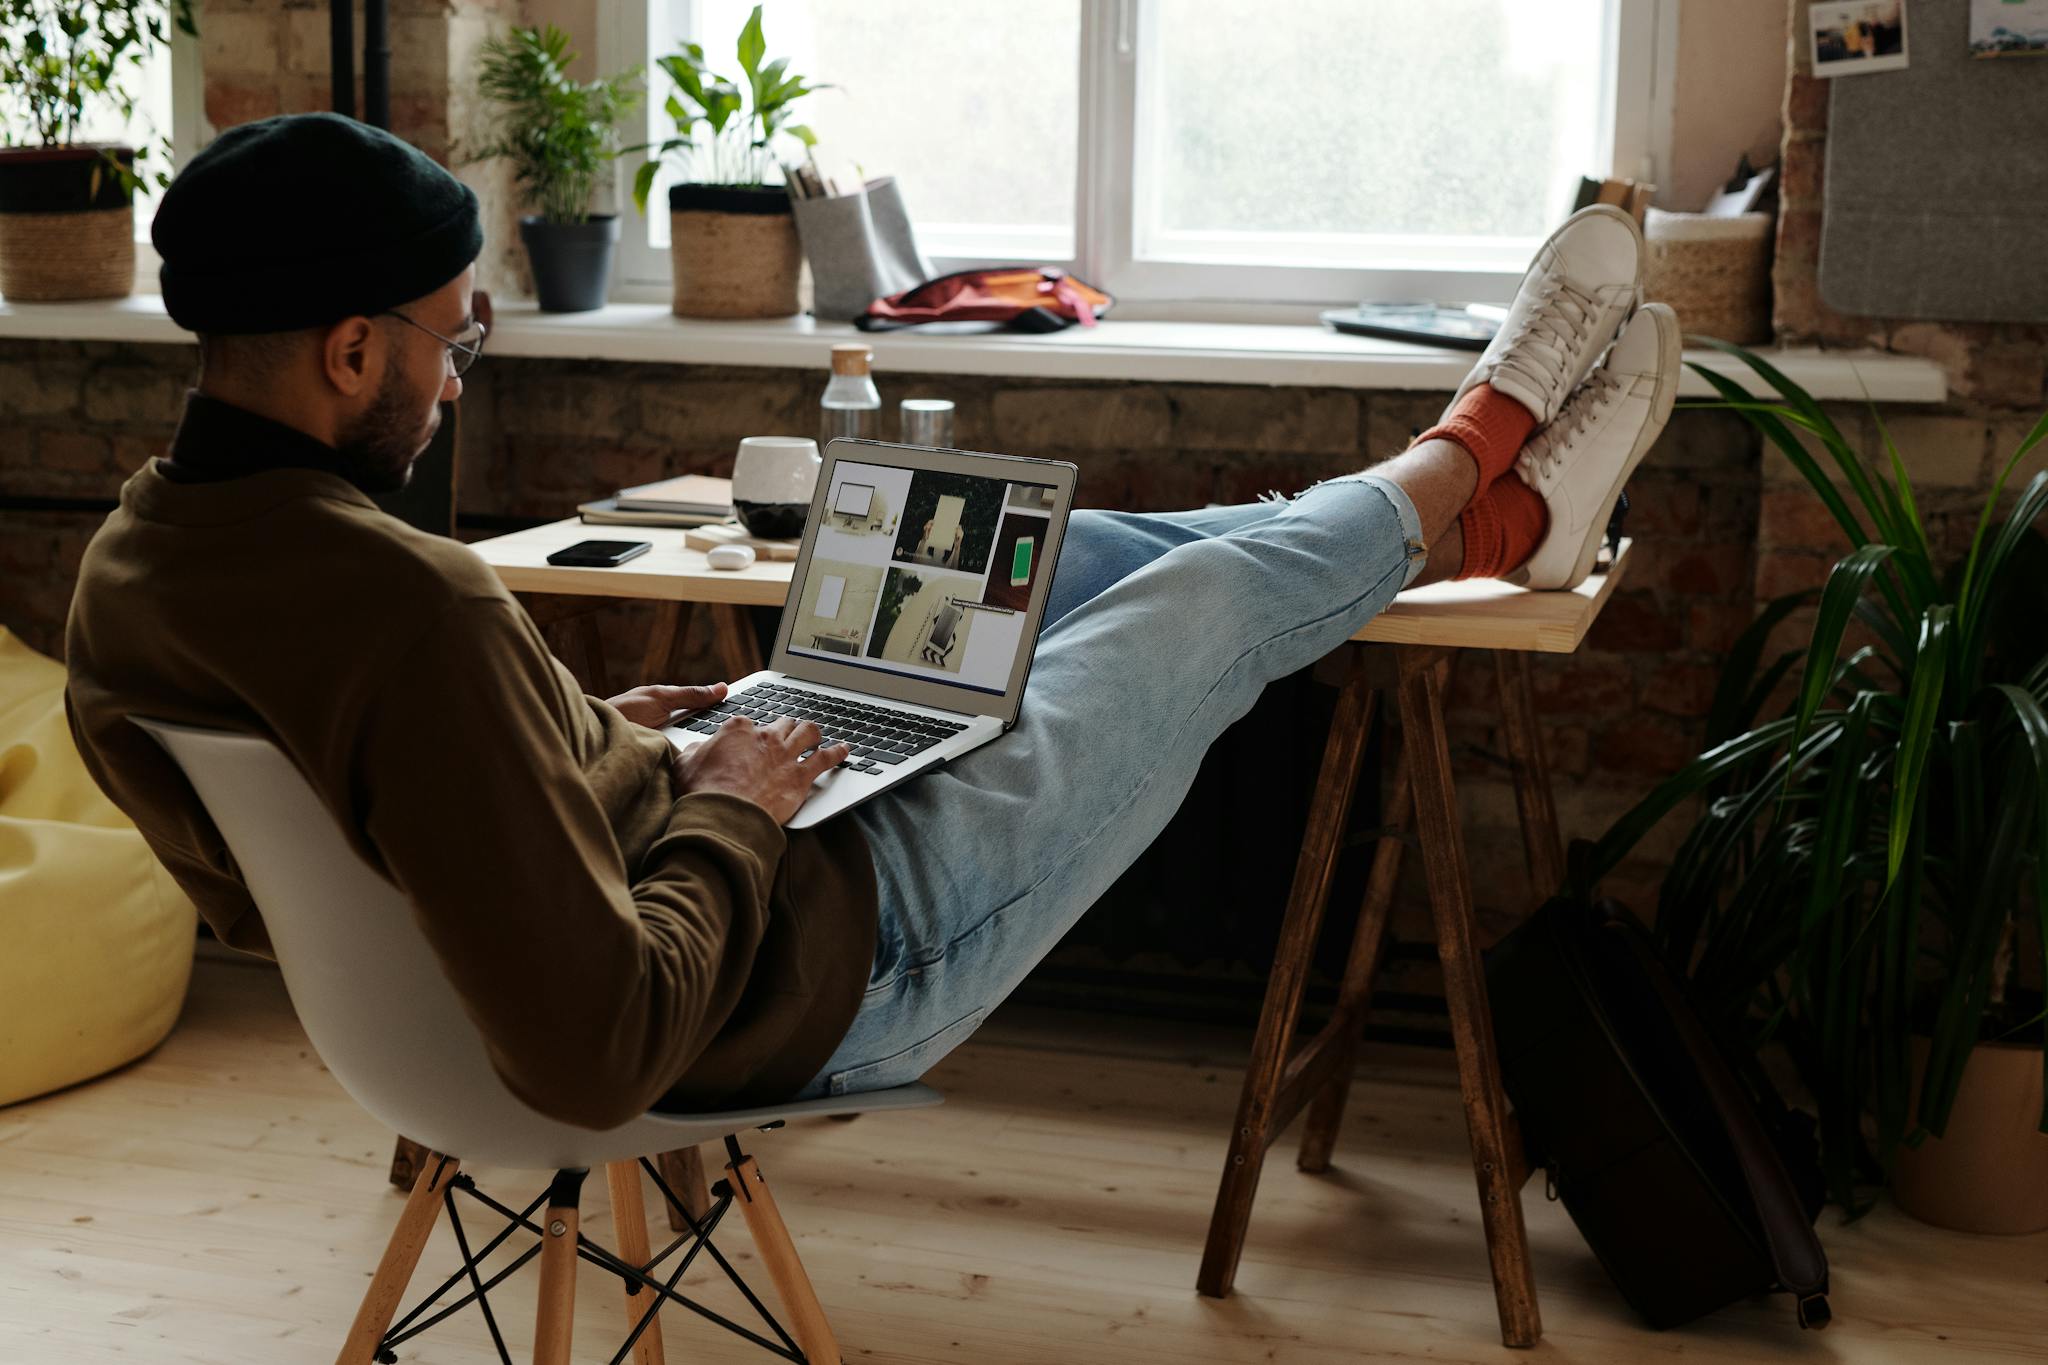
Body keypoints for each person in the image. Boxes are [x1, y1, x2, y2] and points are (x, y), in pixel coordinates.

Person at [65, 114, 1678, 1130]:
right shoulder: (418, 612)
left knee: (1077, 555)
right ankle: (1486, 457)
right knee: (1200, 604)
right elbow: (596, 1048)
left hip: (648, 903)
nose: (455, 369)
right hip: (832, 957)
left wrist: (577, 753)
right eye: (450, 337)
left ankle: (1473, 518)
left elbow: (342, 862)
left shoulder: (131, 585)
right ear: (349, 352)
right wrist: (730, 807)